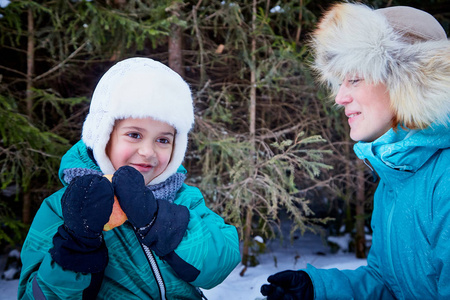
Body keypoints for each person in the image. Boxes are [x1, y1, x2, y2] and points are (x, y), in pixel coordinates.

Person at [261, 2, 449, 299]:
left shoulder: (444, 181)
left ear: (412, 82)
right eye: (340, 81)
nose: (339, 97)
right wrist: (317, 290)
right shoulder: (397, 175)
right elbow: (389, 285)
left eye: (355, 79)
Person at [18, 57, 241, 299]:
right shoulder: (64, 207)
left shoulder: (183, 198)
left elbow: (221, 261)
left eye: (163, 140)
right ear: (103, 135)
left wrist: (160, 220)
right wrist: (75, 244)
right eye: (134, 134)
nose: (148, 151)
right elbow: (34, 295)